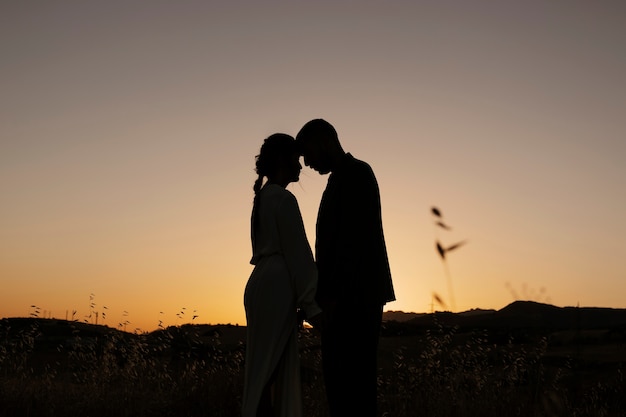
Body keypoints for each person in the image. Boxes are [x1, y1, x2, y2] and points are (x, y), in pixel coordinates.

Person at [295, 119, 395, 417]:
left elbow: (353, 242)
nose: (307, 163)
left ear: (324, 140)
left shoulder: (357, 173)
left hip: (354, 300)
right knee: (341, 389)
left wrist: (329, 300)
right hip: (344, 300)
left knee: (354, 389)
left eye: (308, 153)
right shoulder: (340, 178)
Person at [242, 133, 322, 417]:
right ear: (281, 160)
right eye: (296, 160)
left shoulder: (262, 198)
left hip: (260, 284)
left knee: (262, 370)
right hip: (276, 288)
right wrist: (313, 308)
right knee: (268, 371)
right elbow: (300, 257)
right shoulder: (284, 200)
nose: (300, 167)